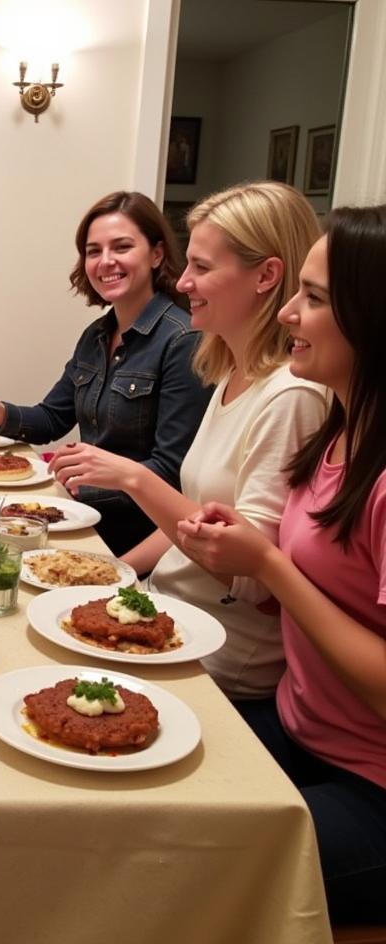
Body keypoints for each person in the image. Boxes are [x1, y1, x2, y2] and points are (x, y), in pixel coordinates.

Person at [175, 205, 386, 924]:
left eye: (316, 298)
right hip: (295, 732)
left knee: (183, 865)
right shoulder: (335, 434)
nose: (290, 311)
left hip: (368, 785)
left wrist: (266, 563)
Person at [49, 181, 327, 699]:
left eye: (202, 267)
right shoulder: (230, 372)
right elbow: (194, 513)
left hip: (218, 661)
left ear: (266, 275)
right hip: (163, 612)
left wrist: (132, 478)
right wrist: (117, 573)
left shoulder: (292, 397)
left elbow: (253, 583)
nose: (184, 282)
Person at [0, 190, 211, 557]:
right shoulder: (96, 335)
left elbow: (173, 471)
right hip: (85, 518)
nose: (106, 261)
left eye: (121, 247)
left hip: (135, 539)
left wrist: (80, 483)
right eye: (94, 251)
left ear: (157, 254)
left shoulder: (182, 341)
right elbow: (50, 419)